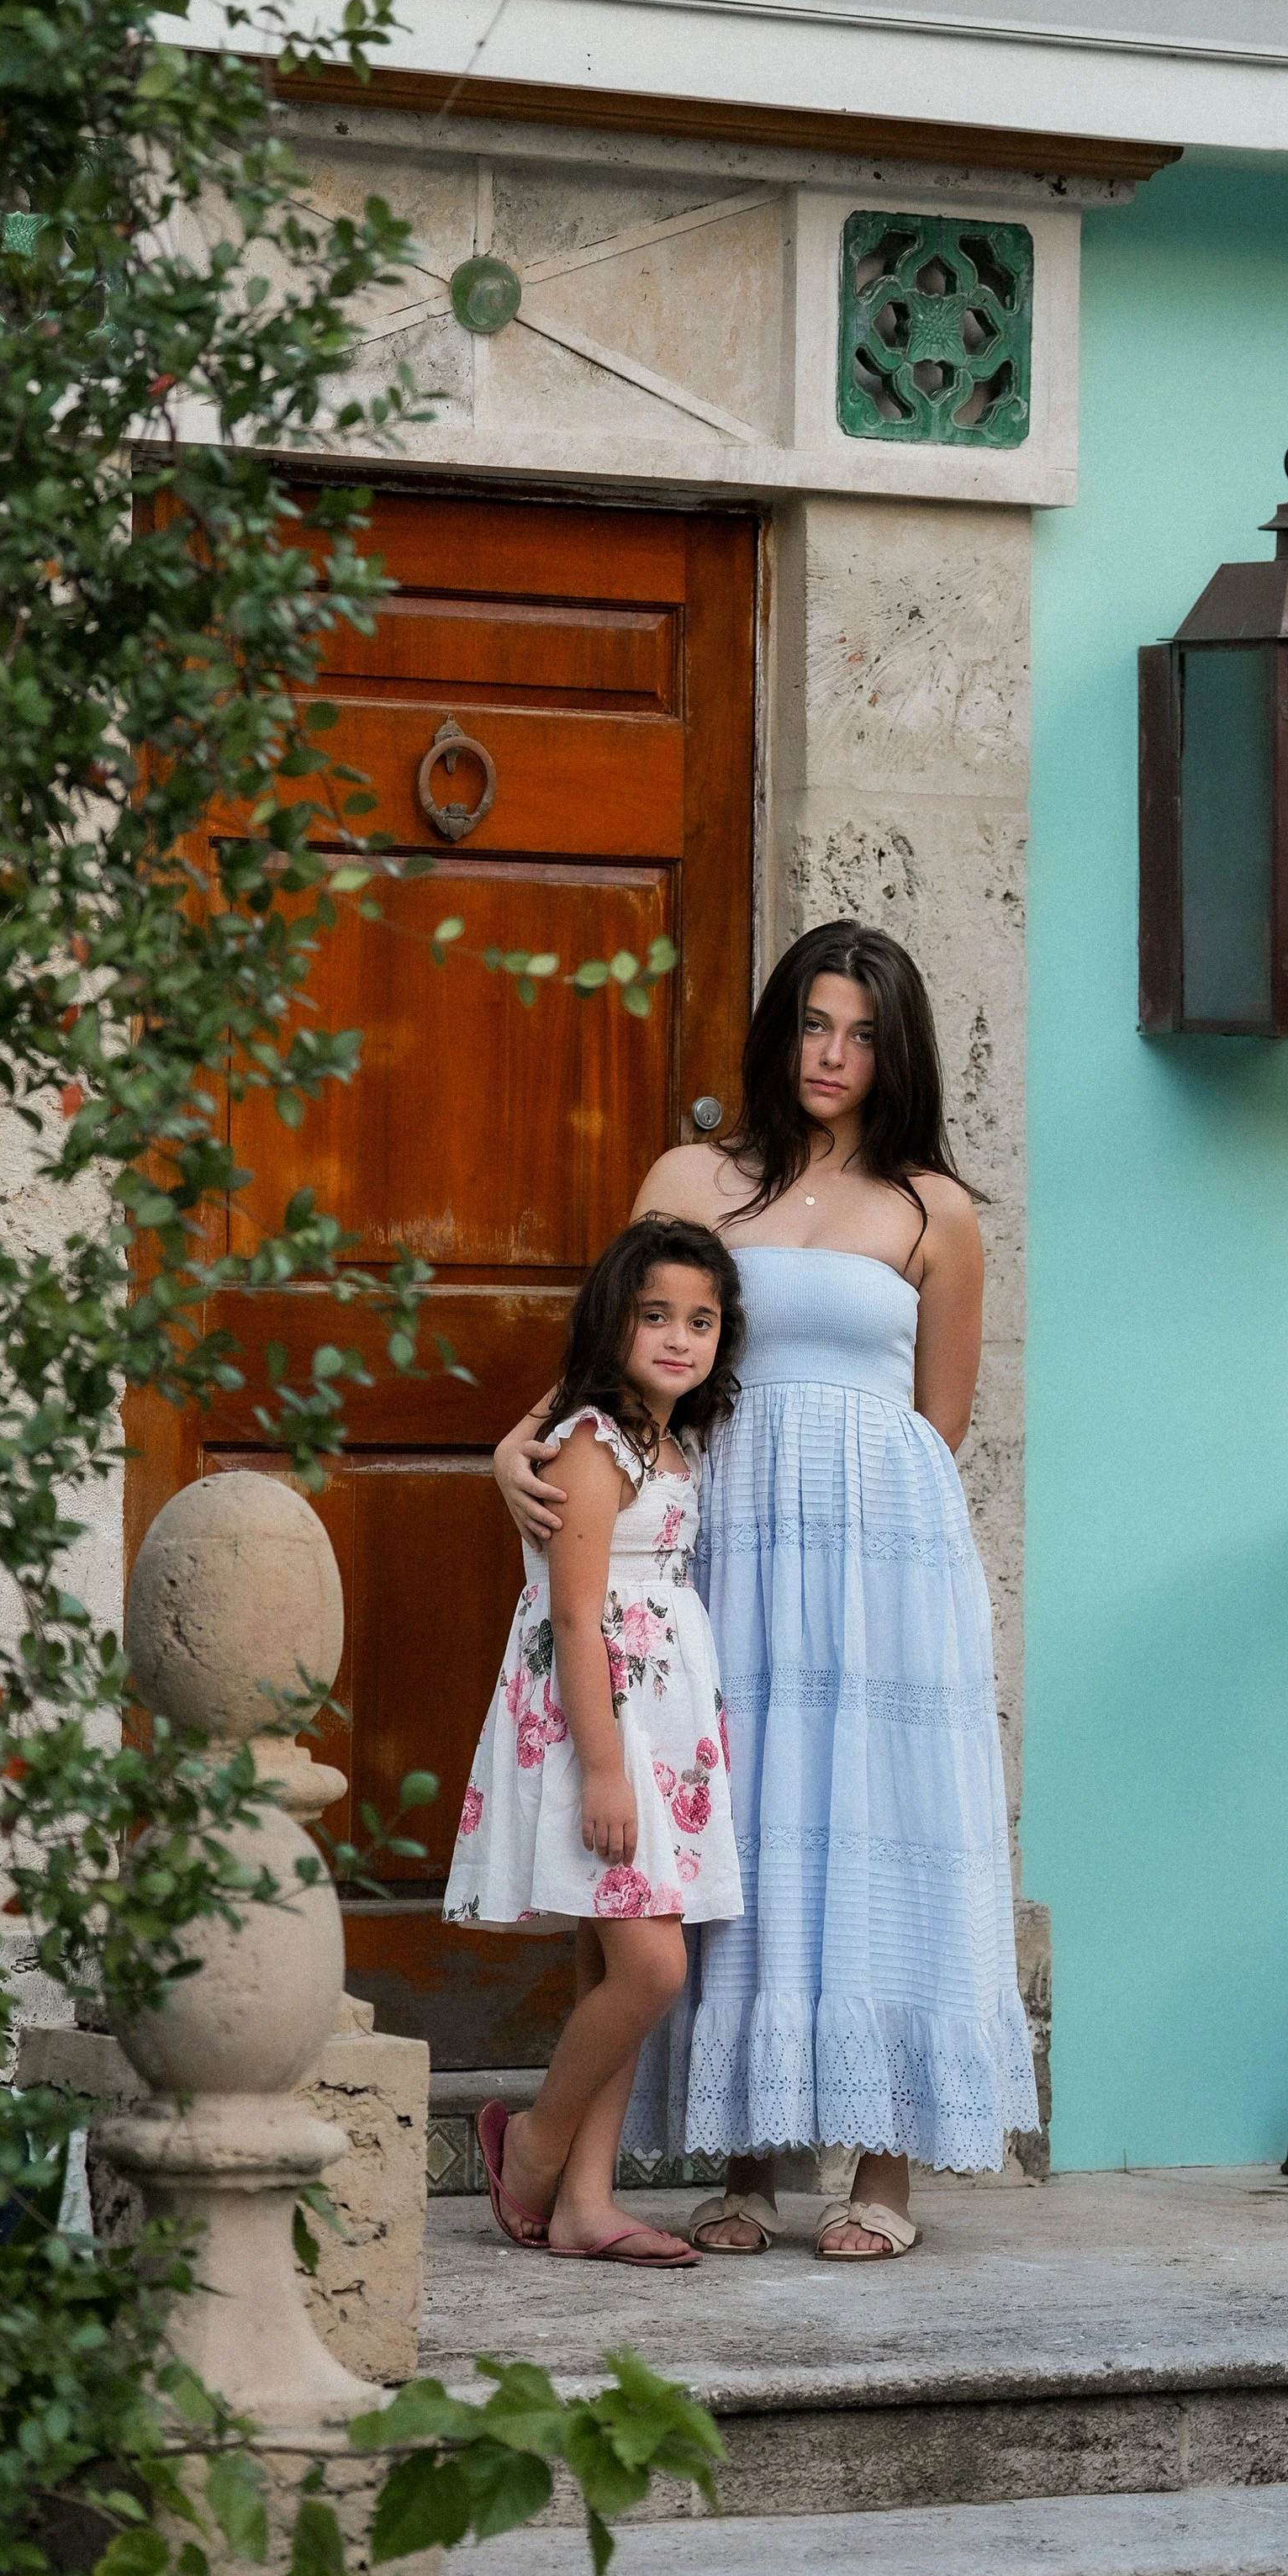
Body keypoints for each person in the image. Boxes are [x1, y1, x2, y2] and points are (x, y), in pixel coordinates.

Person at [494, 922, 1038, 2261]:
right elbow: (616, 1351)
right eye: (812, 1024)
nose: (832, 1056)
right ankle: (744, 2168)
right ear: (778, 1030)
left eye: (860, 1032)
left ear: (896, 1049)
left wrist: (840, 1509)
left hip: (877, 1563)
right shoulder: (693, 1174)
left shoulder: (936, 1212)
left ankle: (886, 2174)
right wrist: (515, 1442)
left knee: (876, 1824)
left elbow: (940, 1422)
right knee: (738, 1838)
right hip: (713, 1550)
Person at [448, 1215, 747, 2267]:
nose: (677, 1337)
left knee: (610, 1961)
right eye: (654, 1314)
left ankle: (584, 2202)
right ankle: (530, 2142)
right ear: (610, 1324)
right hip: (600, 1731)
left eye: (700, 1320)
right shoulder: (590, 1441)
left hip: (658, 1732)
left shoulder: (675, 1440)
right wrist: (610, 1769)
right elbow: (576, 1616)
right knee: (650, 1969)